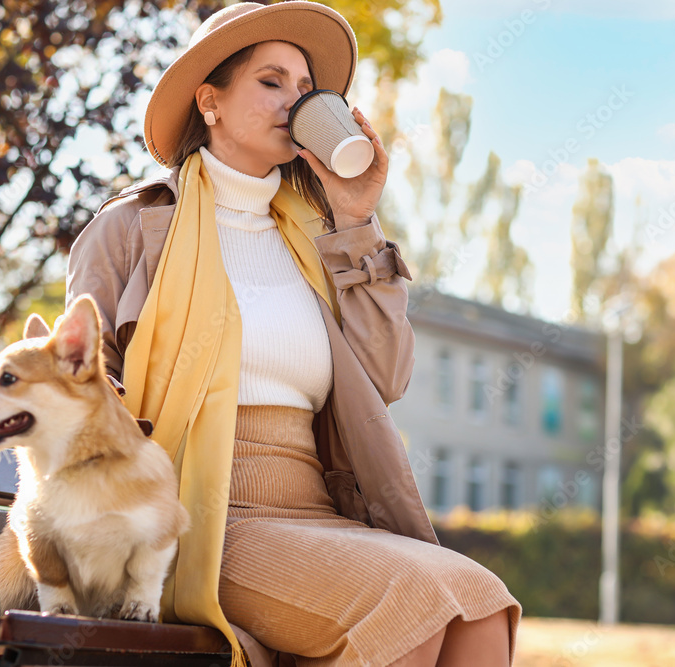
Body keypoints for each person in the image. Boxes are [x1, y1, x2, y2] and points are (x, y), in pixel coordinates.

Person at [64, 2, 522, 666]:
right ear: (210, 101)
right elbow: (77, 382)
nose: (294, 101)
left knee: (481, 600)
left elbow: (386, 375)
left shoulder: (316, 234)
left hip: (317, 510)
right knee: (412, 603)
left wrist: (357, 220)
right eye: (271, 81)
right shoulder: (133, 227)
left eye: (306, 89)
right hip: (201, 517)